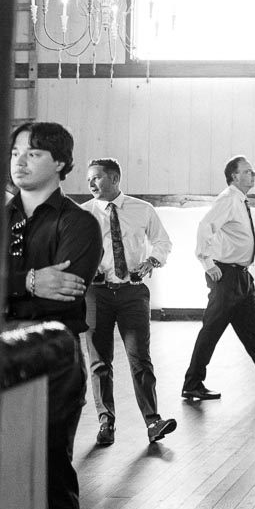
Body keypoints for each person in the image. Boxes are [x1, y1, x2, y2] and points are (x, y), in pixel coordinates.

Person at [5, 121, 103, 509]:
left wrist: (4, 285)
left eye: (35, 153)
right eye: (16, 152)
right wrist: (27, 281)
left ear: (61, 163)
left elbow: (62, 292)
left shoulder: (78, 223)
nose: (20, 161)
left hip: (53, 360)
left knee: (49, 475)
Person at [184, 156, 255, 400]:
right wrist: (207, 263)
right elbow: (205, 226)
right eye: (248, 171)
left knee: (252, 331)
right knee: (211, 331)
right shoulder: (228, 199)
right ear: (234, 176)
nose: (253, 174)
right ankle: (192, 384)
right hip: (226, 276)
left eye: (253, 171)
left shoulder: (239, 200)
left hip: (241, 276)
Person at [82, 158, 177, 446]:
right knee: (100, 362)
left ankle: (153, 422)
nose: (91, 183)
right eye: (89, 179)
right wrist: (86, 267)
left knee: (140, 359)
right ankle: (106, 422)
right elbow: (70, 251)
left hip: (132, 294)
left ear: (114, 179)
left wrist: (152, 261)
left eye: (97, 177)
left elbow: (163, 242)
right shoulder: (83, 214)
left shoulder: (142, 209)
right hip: (96, 294)